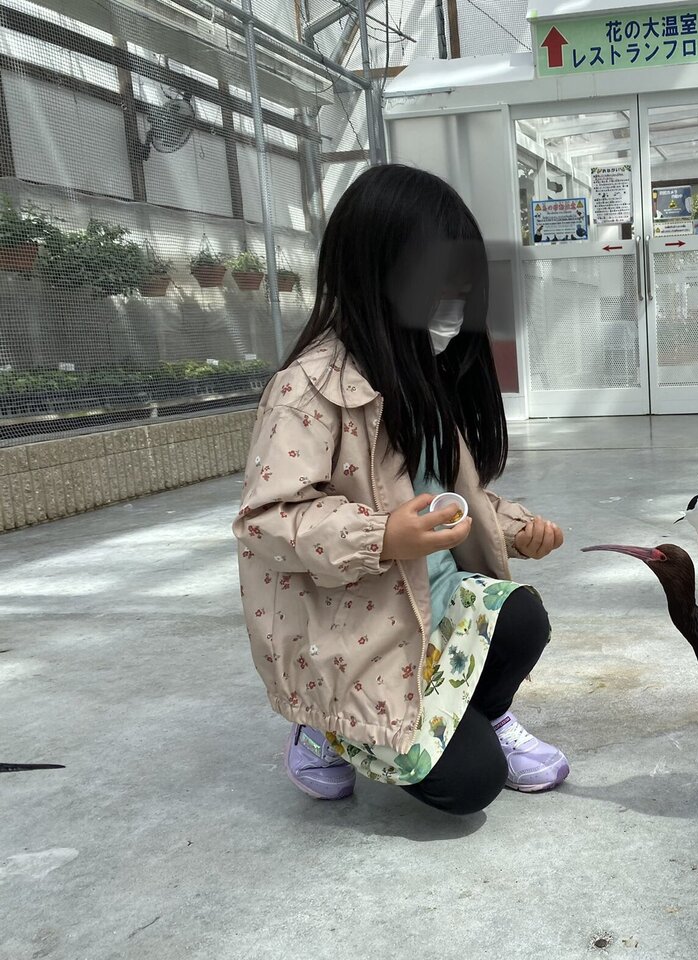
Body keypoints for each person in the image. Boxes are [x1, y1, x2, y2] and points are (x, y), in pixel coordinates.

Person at [233, 165, 568, 815]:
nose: (453, 300)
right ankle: (325, 724)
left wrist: (513, 526)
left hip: (430, 612)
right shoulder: (308, 389)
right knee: (470, 783)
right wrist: (381, 535)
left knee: (521, 614)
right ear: (376, 271)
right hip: (358, 638)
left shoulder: (418, 374)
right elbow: (266, 520)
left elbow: (441, 495)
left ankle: (484, 709)